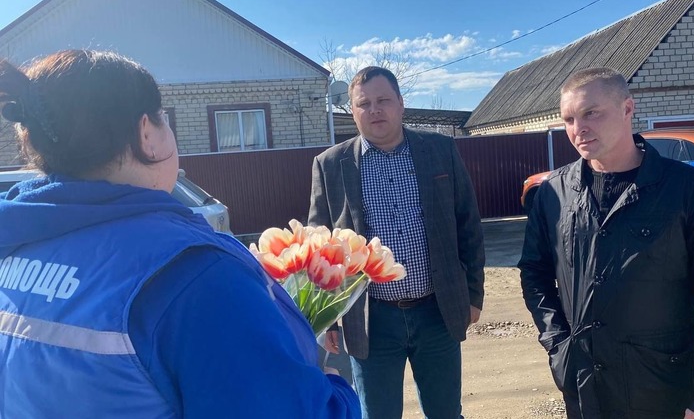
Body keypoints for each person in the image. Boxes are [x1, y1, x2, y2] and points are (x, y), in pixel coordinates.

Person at [0, 50, 360, 418]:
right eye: (165, 119)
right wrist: (337, 392)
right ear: (146, 133)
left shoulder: (15, 251)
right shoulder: (193, 275)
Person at [518, 67, 694, 419]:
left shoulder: (688, 190)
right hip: (585, 389)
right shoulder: (555, 193)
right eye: (569, 119)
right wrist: (558, 344)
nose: (578, 129)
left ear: (627, 108)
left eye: (591, 113)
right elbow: (534, 273)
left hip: (663, 390)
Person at [308, 66, 485, 419]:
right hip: (371, 319)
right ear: (353, 111)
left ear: (401, 104)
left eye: (383, 100)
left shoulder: (440, 150)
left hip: (437, 312)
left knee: (446, 413)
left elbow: (468, 224)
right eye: (364, 103)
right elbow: (319, 247)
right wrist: (327, 318)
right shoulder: (330, 165)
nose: (375, 110)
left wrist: (473, 295)